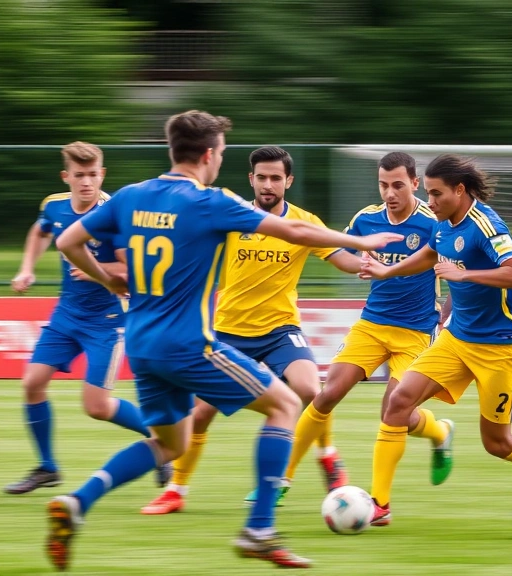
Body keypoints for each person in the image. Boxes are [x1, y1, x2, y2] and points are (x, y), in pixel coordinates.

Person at [46, 110, 402, 570]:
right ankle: (258, 529)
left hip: (140, 344)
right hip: (189, 343)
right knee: (285, 405)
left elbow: (69, 242)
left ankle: (77, 502)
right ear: (210, 155)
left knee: (169, 444)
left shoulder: (131, 196)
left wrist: (109, 281)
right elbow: (293, 230)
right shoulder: (211, 201)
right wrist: (365, 244)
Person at [359, 154, 512, 529]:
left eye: (436, 194)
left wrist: (464, 277)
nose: (429, 202)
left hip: (500, 346)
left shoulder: (486, 224)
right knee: (398, 402)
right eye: (428, 194)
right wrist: (387, 270)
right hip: (456, 339)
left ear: (460, 190)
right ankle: (379, 504)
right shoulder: (442, 223)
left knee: (497, 443)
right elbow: (430, 254)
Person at [141, 145, 364, 515]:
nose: (268, 184)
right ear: (251, 179)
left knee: (312, 389)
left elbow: (340, 257)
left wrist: (366, 264)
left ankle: (328, 457)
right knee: (199, 415)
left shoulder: (304, 222)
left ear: (288, 181)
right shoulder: (232, 216)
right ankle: (176, 490)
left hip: (280, 330)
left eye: (276, 178)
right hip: (228, 332)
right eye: (261, 177)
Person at [281, 151, 450, 502]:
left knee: (393, 411)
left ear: (415, 184)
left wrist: (448, 317)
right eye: (384, 185)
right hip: (372, 324)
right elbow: (340, 249)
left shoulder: (434, 223)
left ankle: (437, 435)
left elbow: (461, 277)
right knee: (326, 395)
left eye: (398, 185)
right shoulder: (367, 219)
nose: (390, 193)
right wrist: (356, 262)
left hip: (417, 331)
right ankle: (280, 482)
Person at [5, 142, 167, 495]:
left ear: (102, 174)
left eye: (93, 175)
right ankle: (48, 468)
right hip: (66, 314)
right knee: (32, 384)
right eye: (79, 175)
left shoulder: (114, 215)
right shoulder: (55, 205)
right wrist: (27, 269)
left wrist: (95, 270)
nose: (86, 183)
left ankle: (160, 440)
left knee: (96, 407)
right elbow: (41, 230)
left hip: (106, 321)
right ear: (66, 177)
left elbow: (132, 270)